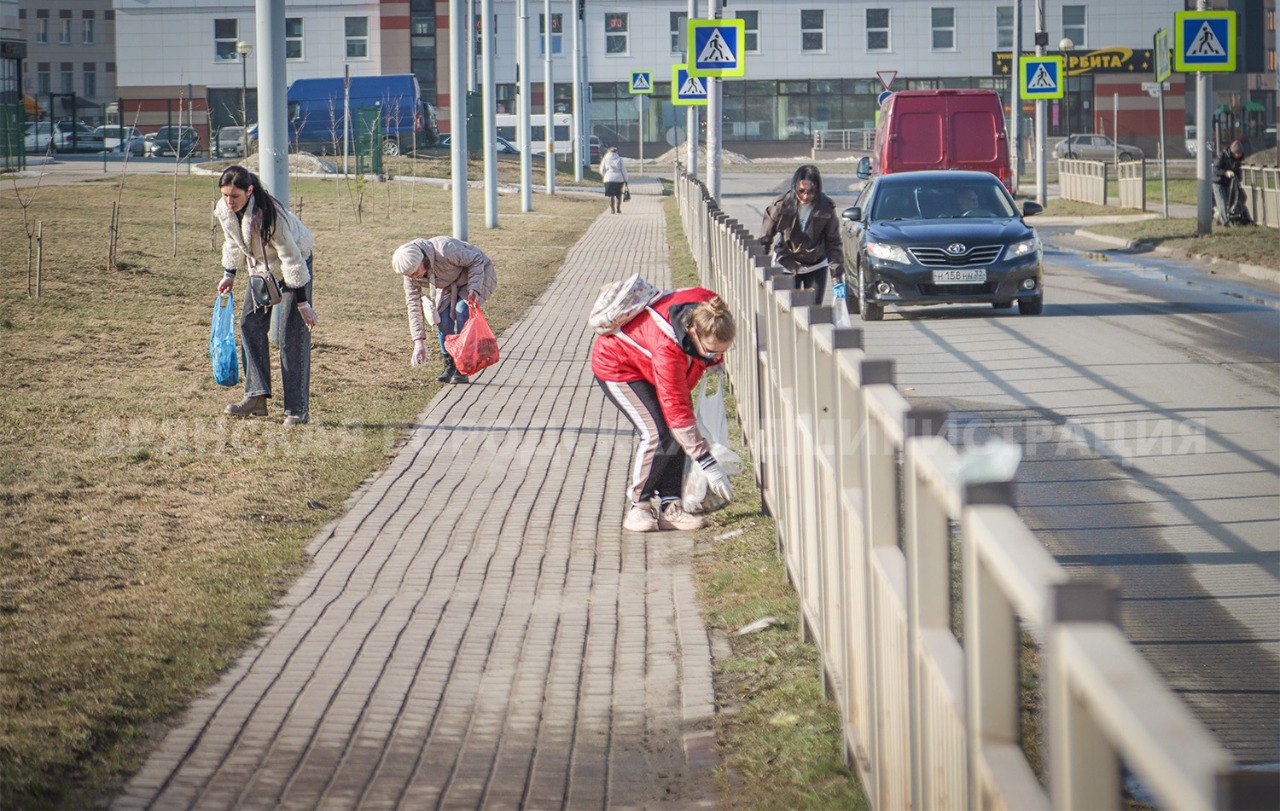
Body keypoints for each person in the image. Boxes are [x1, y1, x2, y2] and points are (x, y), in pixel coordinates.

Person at [591, 288, 736, 533]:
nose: (716, 357)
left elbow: (680, 417)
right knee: (657, 433)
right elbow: (677, 413)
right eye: (711, 351)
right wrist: (706, 462)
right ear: (692, 332)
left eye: (723, 351)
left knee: (677, 434)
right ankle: (639, 506)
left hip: (647, 362)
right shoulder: (668, 349)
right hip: (618, 366)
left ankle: (671, 507)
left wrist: (712, 360)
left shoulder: (711, 311)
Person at [215, 165, 318, 425]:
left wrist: (303, 302)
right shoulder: (224, 210)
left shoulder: (271, 216)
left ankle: (297, 409)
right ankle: (256, 397)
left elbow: (292, 259)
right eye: (225, 195)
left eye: (234, 197)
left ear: (249, 191)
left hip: (294, 265)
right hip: (262, 270)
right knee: (249, 323)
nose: (229, 202)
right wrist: (229, 273)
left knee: (290, 336)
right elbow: (232, 241)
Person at [392, 236, 498, 384]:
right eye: (410, 275)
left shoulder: (445, 249)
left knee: (462, 311)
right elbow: (413, 305)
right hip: (449, 284)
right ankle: (450, 364)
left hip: (477, 275)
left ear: (423, 260)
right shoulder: (410, 273)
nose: (414, 277)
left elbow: (477, 259)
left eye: (416, 272)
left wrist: (474, 287)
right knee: (441, 317)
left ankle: (463, 365)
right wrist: (419, 342)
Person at [758, 164, 845, 305]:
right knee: (789, 311)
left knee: (814, 311)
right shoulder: (780, 205)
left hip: (816, 264)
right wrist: (761, 268)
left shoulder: (826, 207)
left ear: (818, 190)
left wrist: (837, 278)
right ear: (794, 187)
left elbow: (833, 243)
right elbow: (765, 238)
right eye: (801, 191)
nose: (805, 196)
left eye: (811, 192)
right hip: (787, 263)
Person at [1212, 139, 1246, 226]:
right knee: (1222, 203)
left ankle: (1221, 216)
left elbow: (1238, 172)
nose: (1239, 155)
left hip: (1228, 184)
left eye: (1240, 153)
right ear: (1233, 151)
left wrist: (1238, 179)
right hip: (1218, 182)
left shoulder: (1238, 160)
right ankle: (1225, 224)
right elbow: (1215, 169)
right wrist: (1225, 173)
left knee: (1241, 198)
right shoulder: (1223, 156)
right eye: (1237, 153)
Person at [599, 146, 629, 214]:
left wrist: (604, 175)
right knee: (618, 195)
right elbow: (623, 170)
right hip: (619, 178)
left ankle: (612, 209)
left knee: (611, 195)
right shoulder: (619, 159)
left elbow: (601, 169)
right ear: (616, 151)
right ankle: (618, 208)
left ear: (608, 151)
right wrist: (626, 180)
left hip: (608, 178)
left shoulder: (605, 159)